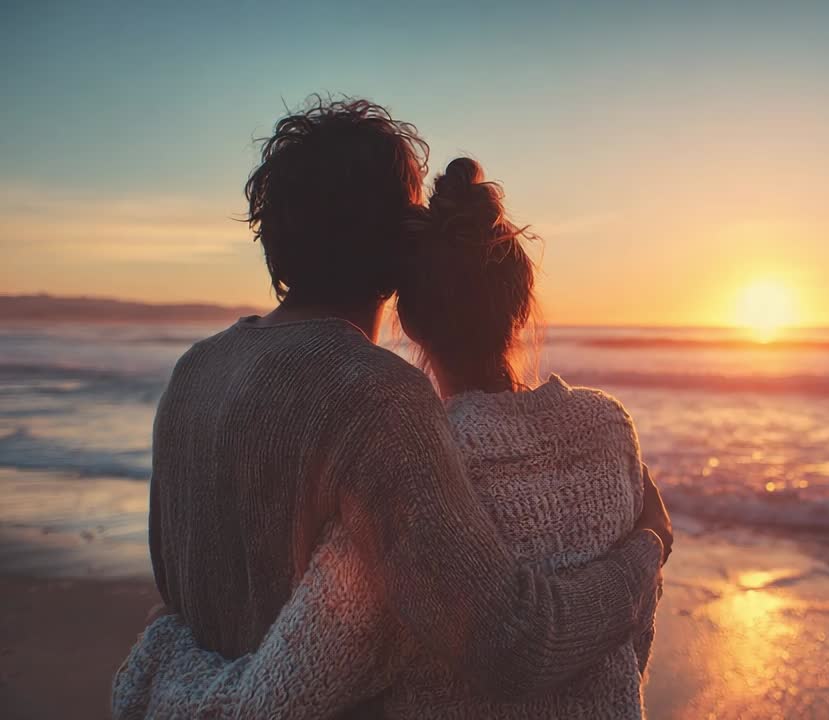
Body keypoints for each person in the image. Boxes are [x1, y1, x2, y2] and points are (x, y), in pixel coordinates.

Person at [118, 97, 672, 717]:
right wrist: (646, 549)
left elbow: (177, 595)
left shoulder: (193, 372)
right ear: (395, 251)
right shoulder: (380, 399)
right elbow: (506, 643)